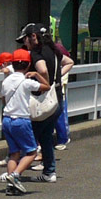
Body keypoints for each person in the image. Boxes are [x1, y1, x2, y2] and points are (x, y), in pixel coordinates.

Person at [21, 23, 73, 182]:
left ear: (33, 37)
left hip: (43, 101)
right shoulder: (54, 51)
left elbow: (42, 70)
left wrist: (44, 82)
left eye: (26, 39)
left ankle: (14, 172)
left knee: (29, 137)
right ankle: (49, 172)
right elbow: (70, 62)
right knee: (45, 137)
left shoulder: (36, 53)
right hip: (56, 100)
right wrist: (56, 79)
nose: (25, 43)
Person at [0, 49, 49, 195]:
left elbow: (3, 100)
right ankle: (15, 175)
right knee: (31, 152)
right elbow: (46, 87)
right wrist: (37, 75)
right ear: (28, 65)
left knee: (14, 153)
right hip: (21, 120)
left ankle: (11, 184)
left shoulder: (6, 81)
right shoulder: (26, 82)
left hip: (7, 119)